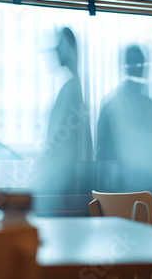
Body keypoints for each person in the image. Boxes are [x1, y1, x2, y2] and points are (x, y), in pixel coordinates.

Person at [96, 45, 152, 192]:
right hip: (123, 192)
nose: (137, 68)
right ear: (125, 68)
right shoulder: (112, 107)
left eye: (140, 63)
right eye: (133, 63)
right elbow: (102, 158)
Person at [28, 27, 92, 194]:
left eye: (59, 47)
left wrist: (37, 170)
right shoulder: (71, 87)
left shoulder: (72, 89)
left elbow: (57, 139)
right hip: (62, 178)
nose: (55, 52)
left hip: (61, 180)